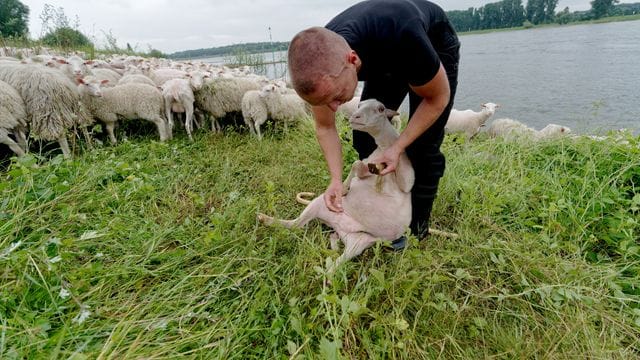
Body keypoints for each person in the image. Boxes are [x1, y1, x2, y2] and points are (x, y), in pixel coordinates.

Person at [287, 0, 460, 248]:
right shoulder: (321, 67)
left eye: (336, 97)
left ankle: (416, 230)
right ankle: (377, 204)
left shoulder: (405, 38)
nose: (334, 107)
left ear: (353, 60)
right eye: (325, 101)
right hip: (383, 53)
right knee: (363, 135)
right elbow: (326, 127)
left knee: (422, 147)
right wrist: (336, 179)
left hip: (428, 43)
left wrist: (398, 146)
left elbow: (437, 99)